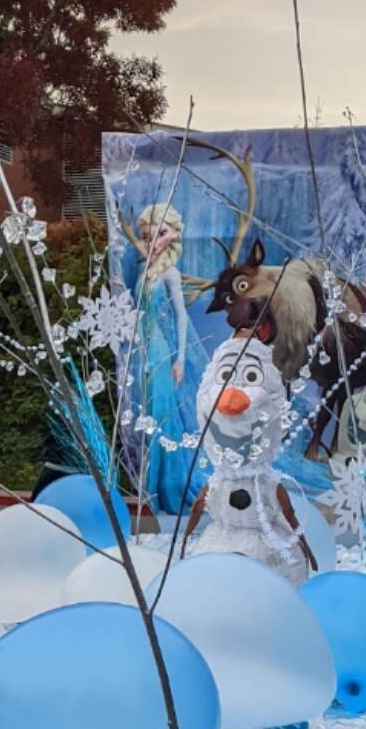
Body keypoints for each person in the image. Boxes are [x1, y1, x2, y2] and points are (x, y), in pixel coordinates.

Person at [128, 200, 205, 513]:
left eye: (159, 234)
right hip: (141, 349)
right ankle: (151, 485)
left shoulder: (170, 273)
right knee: (146, 412)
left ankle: (166, 485)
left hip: (159, 348)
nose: (153, 242)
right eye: (147, 236)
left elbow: (181, 317)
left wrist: (180, 358)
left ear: (174, 234)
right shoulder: (145, 270)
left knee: (161, 414)